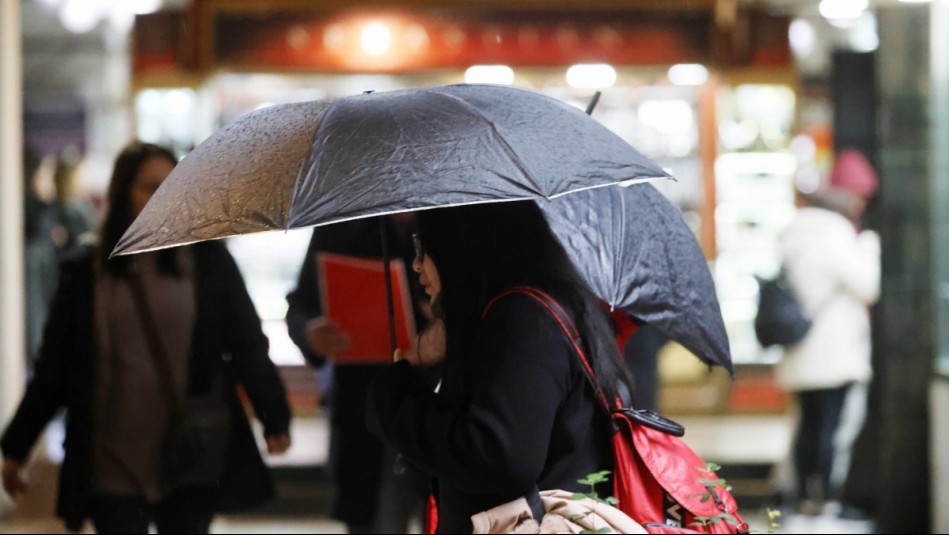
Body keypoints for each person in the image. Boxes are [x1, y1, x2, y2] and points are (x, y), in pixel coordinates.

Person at [1, 142, 293, 534]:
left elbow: (247, 346)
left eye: (172, 185)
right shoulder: (88, 271)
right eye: (149, 186)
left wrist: (274, 415)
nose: (163, 197)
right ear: (124, 192)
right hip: (111, 454)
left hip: (190, 446)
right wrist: (17, 446)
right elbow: (55, 366)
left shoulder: (209, 262)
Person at [365, 201, 634, 534]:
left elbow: (495, 458)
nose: (417, 264)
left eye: (422, 245)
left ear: (463, 241)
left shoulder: (522, 320)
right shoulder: (534, 307)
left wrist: (398, 392)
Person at [285, 215, 430, 533]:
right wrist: (311, 332)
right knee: (370, 518)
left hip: (438, 404)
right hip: (365, 407)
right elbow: (300, 306)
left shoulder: (455, 222)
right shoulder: (345, 223)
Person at [776, 147, 881, 514]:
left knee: (809, 423)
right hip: (833, 350)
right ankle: (825, 499)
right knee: (832, 428)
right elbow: (867, 285)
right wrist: (869, 247)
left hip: (801, 347)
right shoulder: (835, 233)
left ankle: (805, 495)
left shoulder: (794, 230)